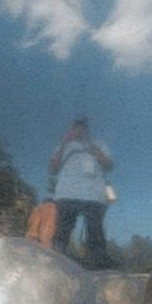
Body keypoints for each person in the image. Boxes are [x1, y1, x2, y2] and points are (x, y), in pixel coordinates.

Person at [48, 113, 115, 266]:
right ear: (71, 128)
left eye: (83, 127)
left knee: (96, 235)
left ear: (87, 130)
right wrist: (64, 143)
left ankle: (98, 266)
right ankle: (56, 265)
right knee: (62, 234)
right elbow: (52, 168)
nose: (80, 130)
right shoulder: (63, 146)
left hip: (94, 196)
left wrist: (91, 144)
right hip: (67, 194)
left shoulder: (98, 144)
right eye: (76, 127)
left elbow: (109, 166)